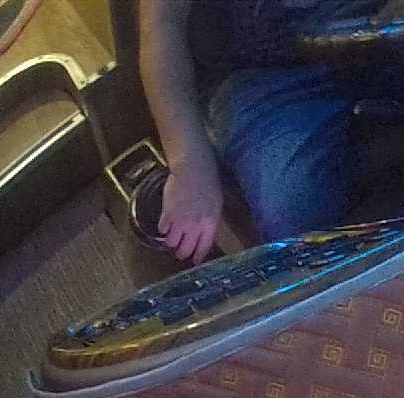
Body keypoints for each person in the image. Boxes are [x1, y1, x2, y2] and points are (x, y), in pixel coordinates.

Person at [138, 1, 379, 263]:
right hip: (267, 73)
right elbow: (162, 27)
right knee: (292, 222)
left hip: (378, 22)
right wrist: (189, 164)